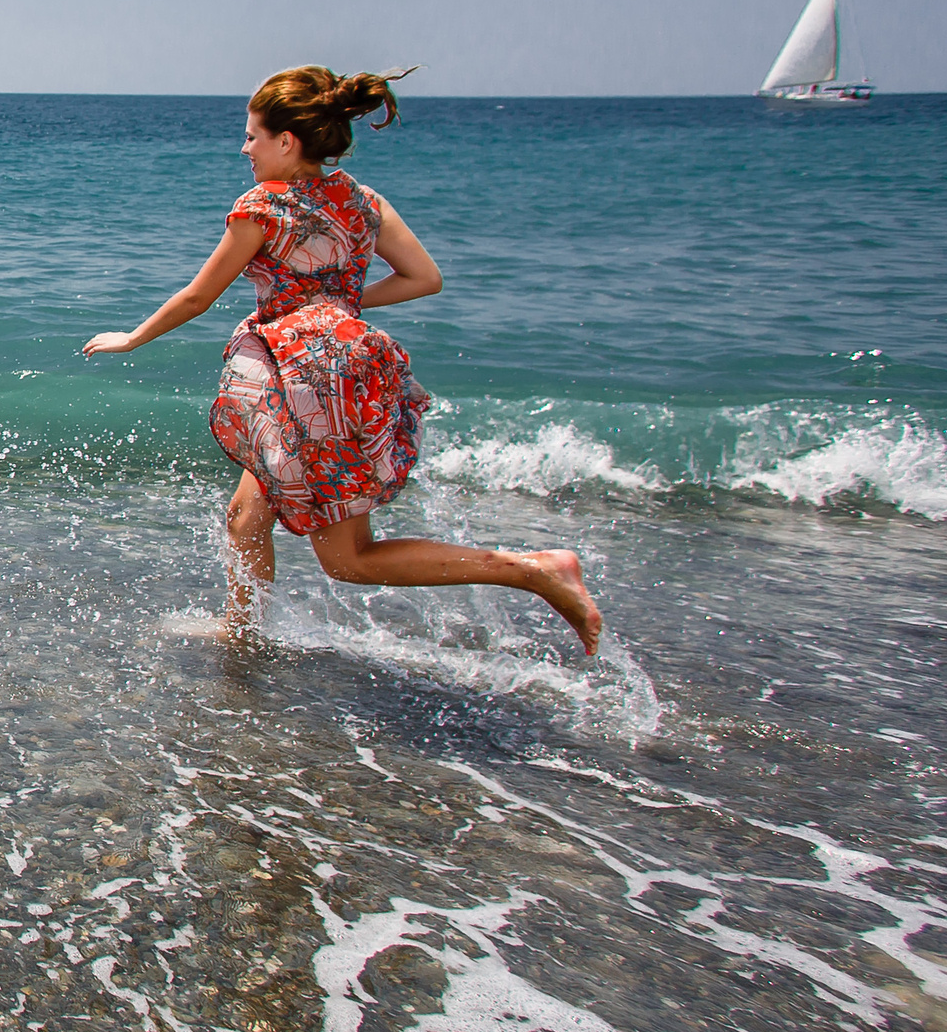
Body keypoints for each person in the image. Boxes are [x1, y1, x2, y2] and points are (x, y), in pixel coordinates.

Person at [83, 67, 601, 653]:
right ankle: (243, 632)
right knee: (247, 517)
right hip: (341, 373)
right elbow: (423, 278)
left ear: (288, 141)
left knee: (349, 559)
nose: (244, 148)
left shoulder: (263, 207)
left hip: (311, 384)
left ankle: (533, 570)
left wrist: (132, 338)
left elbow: (199, 296)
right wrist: (338, 302)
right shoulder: (363, 200)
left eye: (253, 136)